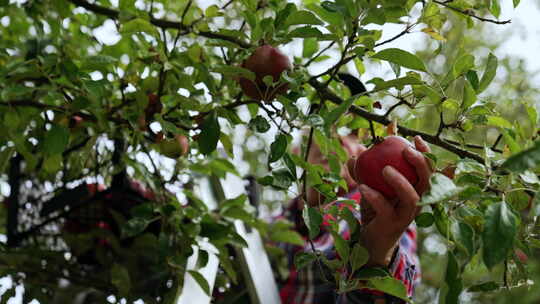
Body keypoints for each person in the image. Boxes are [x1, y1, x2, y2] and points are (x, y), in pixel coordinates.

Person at [275, 131, 433, 304]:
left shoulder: (382, 211)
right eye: (329, 123)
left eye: (352, 133)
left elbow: (400, 291)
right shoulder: (273, 223)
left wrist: (377, 258)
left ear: (361, 155)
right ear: (298, 151)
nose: (338, 137)